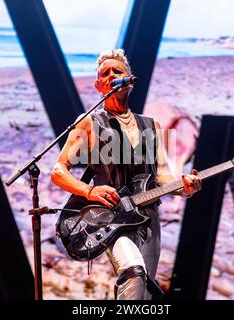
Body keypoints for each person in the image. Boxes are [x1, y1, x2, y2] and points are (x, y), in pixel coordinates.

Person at [51, 49, 202, 300]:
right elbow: (58, 171)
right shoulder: (89, 121)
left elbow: (163, 175)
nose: (112, 75)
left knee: (145, 295)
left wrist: (183, 187)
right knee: (133, 272)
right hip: (109, 216)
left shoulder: (150, 125)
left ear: (130, 79)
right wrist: (89, 190)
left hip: (149, 218)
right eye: (105, 73)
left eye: (117, 71)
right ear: (98, 86)